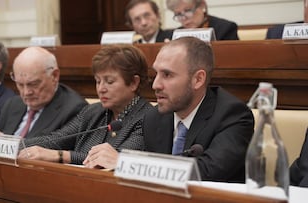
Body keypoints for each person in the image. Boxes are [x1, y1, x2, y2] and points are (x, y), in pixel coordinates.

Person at [19, 45, 153, 166]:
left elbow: (116, 159)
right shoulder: (92, 111)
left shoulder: (147, 118)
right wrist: (10, 145)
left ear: (134, 83)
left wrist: (61, 156)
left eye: (109, 81)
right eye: (98, 81)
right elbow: (55, 139)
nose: (101, 89)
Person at [143, 36, 254, 183]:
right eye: (156, 73)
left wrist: (135, 165)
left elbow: (209, 172)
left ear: (198, 79)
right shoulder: (153, 117)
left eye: (167, 75)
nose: (155, 85)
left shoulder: (233, 115)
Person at [0, 46, 87, 139]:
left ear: (54, 76)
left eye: (33, 84)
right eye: (20, 84)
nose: (26, 92)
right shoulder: (12, 104)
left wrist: (8, 143)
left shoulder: (74, 110)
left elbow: (52, 149)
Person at [166, 0, 239, 40]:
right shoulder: (175, 35)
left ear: (202, 5)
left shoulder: (225, 29)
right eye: (178, 14)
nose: (184, 18)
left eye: (188, 10)